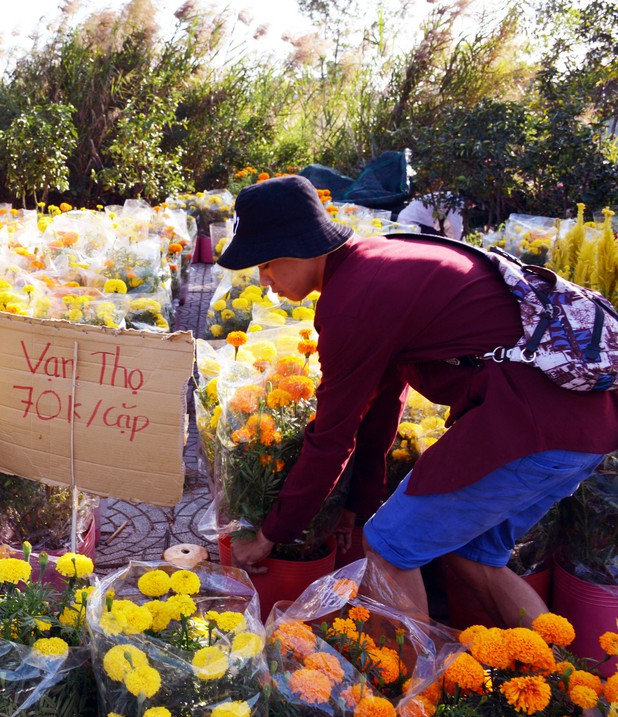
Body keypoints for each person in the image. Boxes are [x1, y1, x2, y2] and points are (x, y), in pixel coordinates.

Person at [217, 174, 618, 626]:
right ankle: (564, 683)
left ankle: (413, 690)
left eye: (266, 263)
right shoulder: (377, 263)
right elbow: (382, 410)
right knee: (474, 555)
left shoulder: (352, 302)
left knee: (390, 545)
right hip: (581, 425)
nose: (263, 278)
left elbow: (331, 436)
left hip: (534, 426)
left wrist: (270, 535)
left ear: (302, 246)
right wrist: (356, 505)